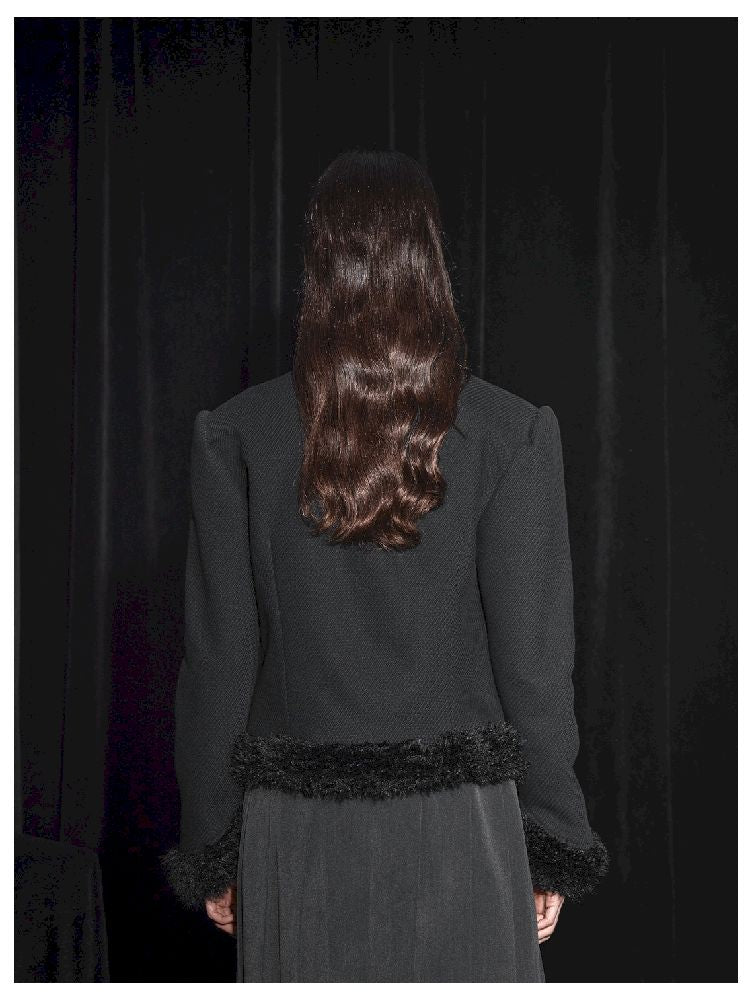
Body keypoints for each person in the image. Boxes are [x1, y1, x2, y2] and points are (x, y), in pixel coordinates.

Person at [161, 149, 609, 983]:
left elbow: (216, 668)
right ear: (428, 260)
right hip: (464, 835)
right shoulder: (509, 434)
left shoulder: (238, 435)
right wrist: (552, 838)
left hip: (296, 838)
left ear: (319, 267)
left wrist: (214, 846)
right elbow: (537, 673)